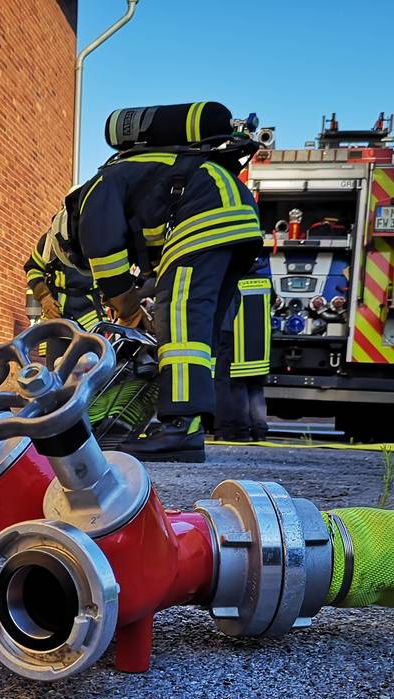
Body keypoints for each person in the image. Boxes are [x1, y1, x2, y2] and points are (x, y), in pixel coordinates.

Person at [47, 101, 263, 462]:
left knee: (178, 318)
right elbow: (150, 267)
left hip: (204, 216)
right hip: (234, 218)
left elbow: (106, 255)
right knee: (197, 336)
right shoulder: (137, 173)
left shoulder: (95, 194)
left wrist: (128, 309)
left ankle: (179, 430)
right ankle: (189, 425)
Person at [213, 263, 272, 441]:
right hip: (260, 347)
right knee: (256, 388)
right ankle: (261, 430)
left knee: (236, 387)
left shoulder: (233, 283)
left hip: (238, 345)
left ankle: (241, 431)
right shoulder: (265, 283)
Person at [24, 231, 104, 331]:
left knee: (97, 345)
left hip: (91, 315)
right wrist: (44, 297)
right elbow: (33, 268)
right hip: (54, 312)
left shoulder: (100, 232)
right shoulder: (51, 237)